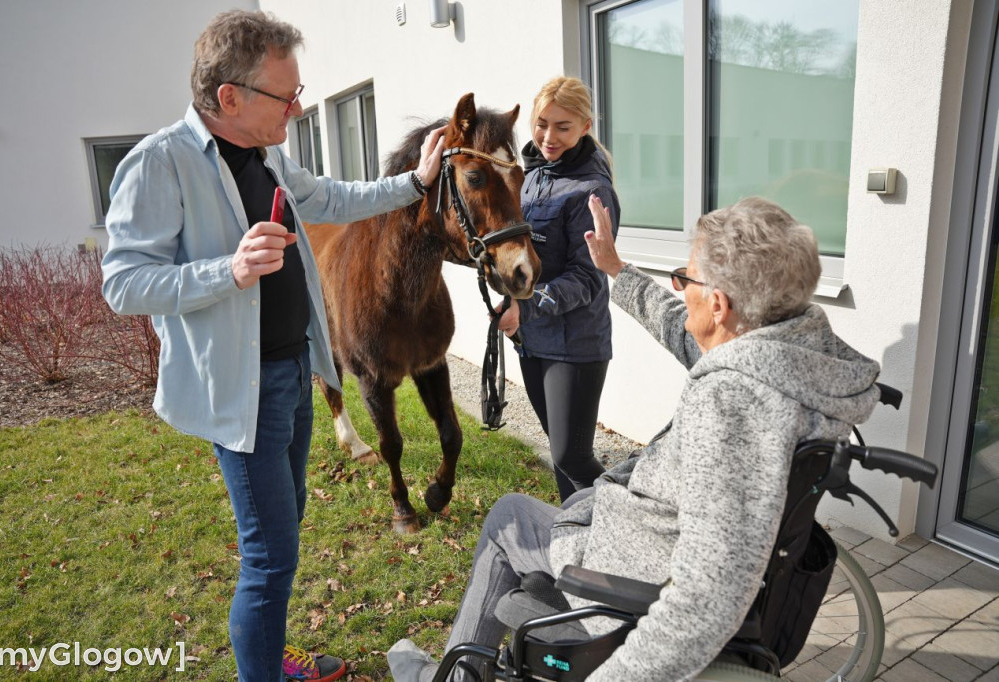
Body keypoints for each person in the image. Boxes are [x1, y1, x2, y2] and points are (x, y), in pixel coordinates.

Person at [388, 196, 882, 681]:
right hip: (647, 541)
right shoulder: (790, 361)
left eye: (684, 279)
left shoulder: (734, 406)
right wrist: (615, 269)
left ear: (720, 304)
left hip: (628, 577)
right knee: (562, 505)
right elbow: (684, 331)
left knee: (508, 518)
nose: (678, 288)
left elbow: (705, 600)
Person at [101, 10, 444, 682]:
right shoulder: (160, 163)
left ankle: (269, 658)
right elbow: (122, 283)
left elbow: (334, 197)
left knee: (283, 536)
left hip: (292, 373)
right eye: (285, 95)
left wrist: (415, 185)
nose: (298, 105)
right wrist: (225, 270)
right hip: (241, 390)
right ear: (229, 97)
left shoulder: (266, 153)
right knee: (269, 556)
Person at [496, 76, 621, 502]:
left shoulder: (592, 190)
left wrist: (525, 307)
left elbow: (587, 278)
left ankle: (629, 525)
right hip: (534, 340)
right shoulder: (531, 177)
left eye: (563, 127)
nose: (549, 136)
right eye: (542, 123)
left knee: (573, 454)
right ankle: (576, 539)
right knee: (561, 454)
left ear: (585, 126)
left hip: (576, 345)